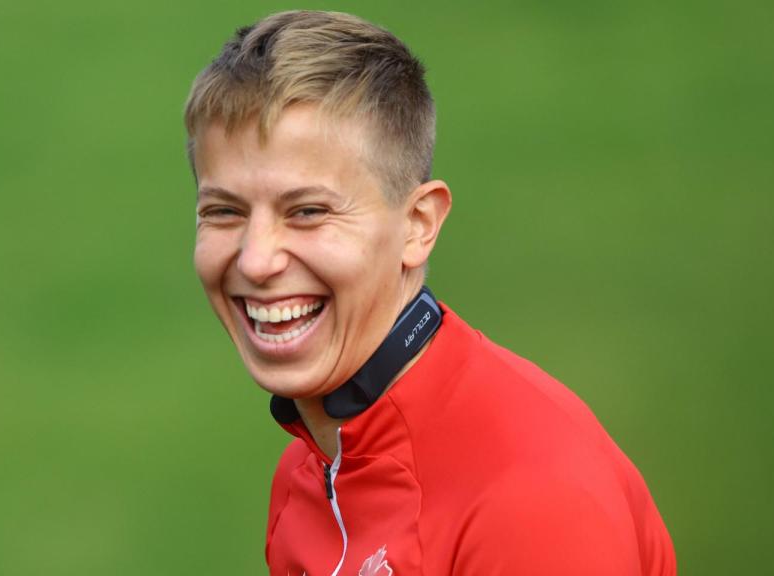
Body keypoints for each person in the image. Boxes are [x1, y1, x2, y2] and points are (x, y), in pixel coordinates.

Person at [183, 10, 675, 576]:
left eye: (309, 212)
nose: (255, 259)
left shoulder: (529, 500)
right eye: (224, 211)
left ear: (418, 224)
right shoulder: (309, 469)